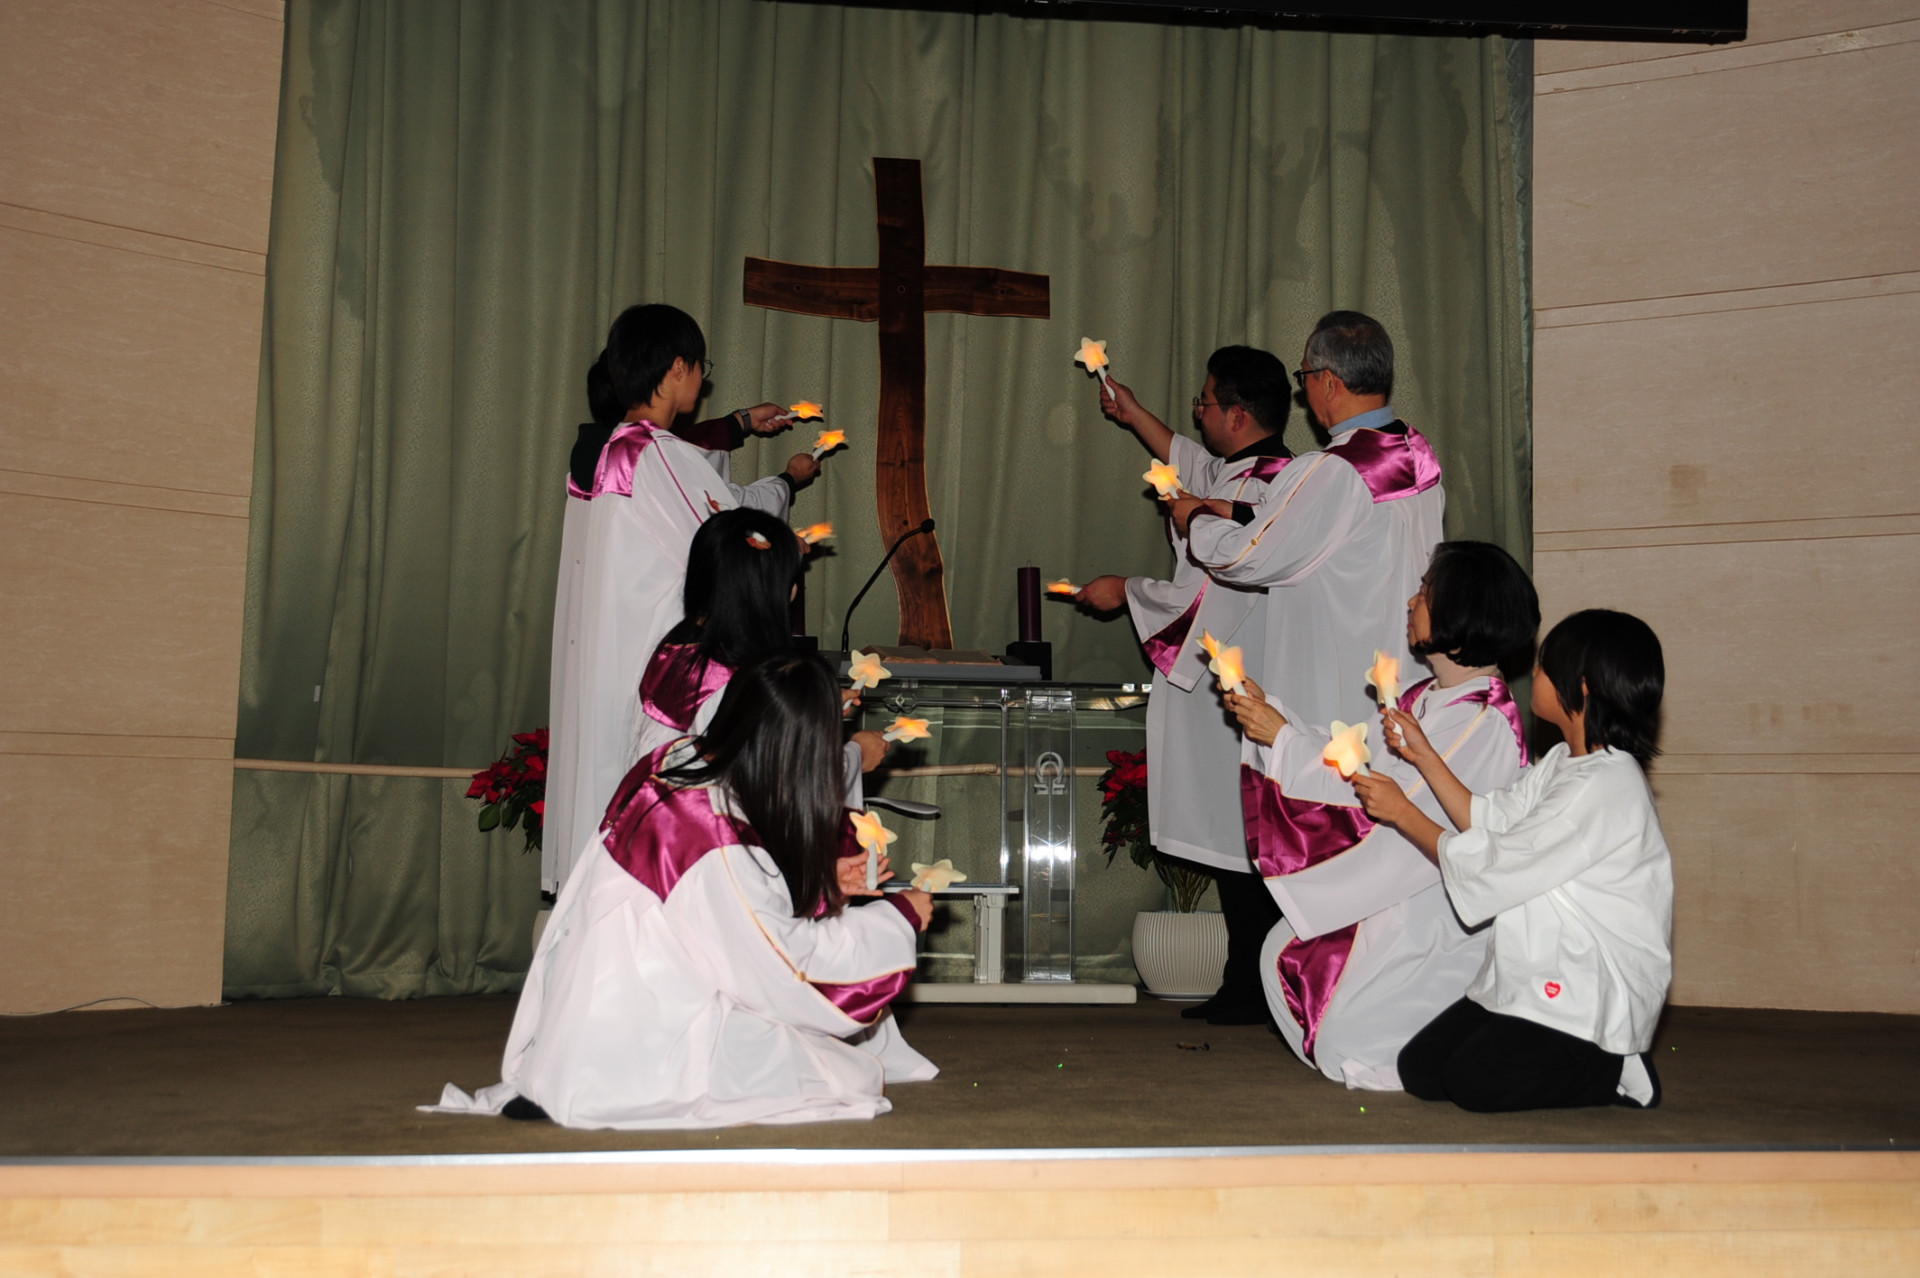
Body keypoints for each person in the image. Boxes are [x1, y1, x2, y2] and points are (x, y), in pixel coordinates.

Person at [426, 654, 938, 1130]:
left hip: (594, 999)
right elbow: (787, 967)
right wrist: (898, 919)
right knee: (844, 1075)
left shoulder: (676, 759)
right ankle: (612, 1081)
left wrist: (824, 885)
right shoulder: (711, 837)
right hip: (651, 1022)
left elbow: (736, 894)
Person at [1224, 541, 1537, 1088]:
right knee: (1282, 955)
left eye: (1425, 593)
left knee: (1350, 1044)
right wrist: (1277, 720)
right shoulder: (1426, 699)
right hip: (1397, 893)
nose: (1411, 603)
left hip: (1438, 916)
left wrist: (1285, 740)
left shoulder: (1481, 720)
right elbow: (1352, 756)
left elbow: (1388, 802)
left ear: (1462, 610)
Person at [544, 304, 821, 894]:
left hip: (602, 657)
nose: (701, 378)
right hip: (651, 668)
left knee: (603, 804)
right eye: (700, 366)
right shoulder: (655, 454)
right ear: (677, 367)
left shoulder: (603, 451)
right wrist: (782, 543)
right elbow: (729, 532)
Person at [1354, 609, 1672, 1112]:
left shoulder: (1606, 786)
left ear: (1581, 688)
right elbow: (1490, 819)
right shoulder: (1565, 763)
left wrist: (1403, 814)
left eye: (1544, 667)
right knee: (1421, 1069)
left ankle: (1612, 1065)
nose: (1533, 675)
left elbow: (1496, 865)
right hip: (1536, 971)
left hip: (1586, 987)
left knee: (1473, 1084)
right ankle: (1571, 1053)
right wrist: (1423, 754)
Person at [1075, 347, 1294, 1024]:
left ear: (1238, 414)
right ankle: (1245, 978)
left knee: (1242, 835)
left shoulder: (1266, 489)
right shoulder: (1241, 471)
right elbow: (1189, 462)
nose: (1197, 412)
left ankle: (1255, 984)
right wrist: (1133, 412)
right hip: (1219, 683)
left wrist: (1126, 591)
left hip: (1235, 677)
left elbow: (1209, 592)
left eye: (1205, 401)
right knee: (1229, 832)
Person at [1181, 311, 1444, 734]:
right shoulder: (1416, 450)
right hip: (1404, 666)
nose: (1303, 393)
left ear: (1330, 382)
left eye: (1304, 376)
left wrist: (1197, 518)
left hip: (1340, 678)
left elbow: (1245, 559)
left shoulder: (1334, 470)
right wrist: (1238, 512)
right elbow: (1327, 530)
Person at [632, 506, 887, 805]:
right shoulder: (743, 684)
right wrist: (856, 756)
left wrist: (807, 709)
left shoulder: (678, 647)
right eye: (790, 580)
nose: (794, 591)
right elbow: (784, 793)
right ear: (768, 591)